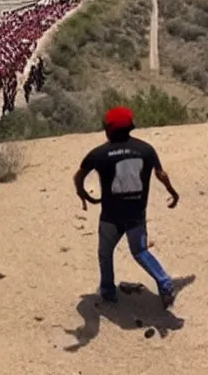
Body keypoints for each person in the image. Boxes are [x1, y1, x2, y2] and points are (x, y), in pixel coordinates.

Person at [73, 107, 179, 308]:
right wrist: (172, 192)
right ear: (132, 127)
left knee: (105, 253)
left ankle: (108, 291)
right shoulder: (146, 149)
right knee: (140, 251)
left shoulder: (99, 153)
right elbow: (161, 174)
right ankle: (165, 283)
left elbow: (79, 176)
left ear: (107, 129)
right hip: (136, 213)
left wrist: (83, 194)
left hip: (110, 215)